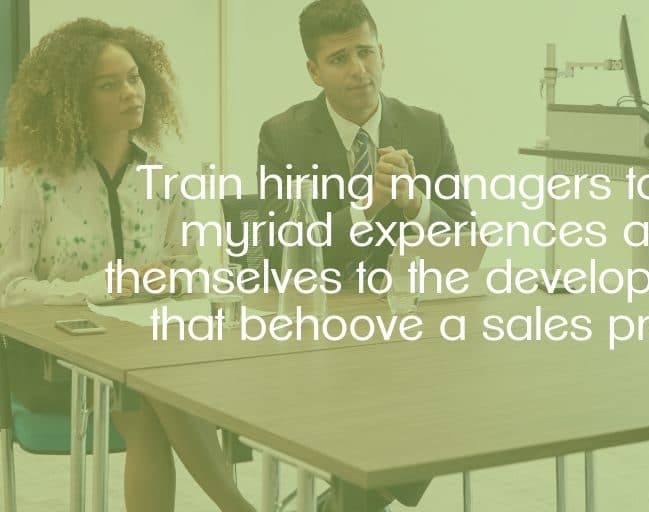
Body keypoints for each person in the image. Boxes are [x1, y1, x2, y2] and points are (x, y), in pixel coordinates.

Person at [0, 18, 256, 512]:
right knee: (151, 391)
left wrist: (174, 276)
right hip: (56, 360)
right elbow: (9, 291)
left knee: (153, 387)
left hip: (147, 351)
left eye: (135, 78)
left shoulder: (165, 180)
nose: (130, 93)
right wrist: (105, 284)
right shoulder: (32, 181)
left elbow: (190, 269)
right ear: (73, 99)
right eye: (108, 85)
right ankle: (238, 506)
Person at [258, 0, 474, 278]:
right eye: (339, 59)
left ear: (381, 54)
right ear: (314, 72)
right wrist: (367, 206)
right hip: (323, 301)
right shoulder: (282, 137)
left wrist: (416, 203)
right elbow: (280, 255)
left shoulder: (429, 130)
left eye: (365, 52)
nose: (359, 70)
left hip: (404, 301)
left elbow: (467, 248)